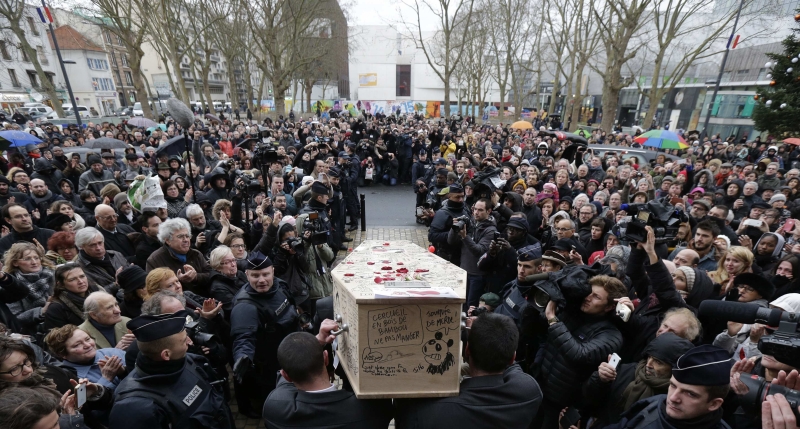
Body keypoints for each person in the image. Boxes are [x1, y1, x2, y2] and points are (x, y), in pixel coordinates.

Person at [110, 310, 235, 429]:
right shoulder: (134, 407)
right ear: (166, 355)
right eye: (183, 341)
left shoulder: (192, 360)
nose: (189, 342)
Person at [532, 274, 627, 429]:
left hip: (562, 406)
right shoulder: (572, 311)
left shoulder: (611, 335)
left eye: (596, 296)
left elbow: (579, 354)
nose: (588, 298)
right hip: (539, 389)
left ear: (609, 306)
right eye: (588, 292)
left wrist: (552, 319)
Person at [263, 327, 394, 429]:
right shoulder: (373, 407)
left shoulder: (274, 408)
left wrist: (317, 340)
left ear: (286, 376)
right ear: (326, 358)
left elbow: (283, 380)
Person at [231, 252, 302, 418]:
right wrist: (242, 355)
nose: (261, 280)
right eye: (255, 276)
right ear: (247, 275)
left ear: (273, 272)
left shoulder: (280, 286)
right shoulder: (245, 305)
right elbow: (243, 337)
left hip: (292, 353)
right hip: (270, 367)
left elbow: (292, 308)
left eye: (265, 274)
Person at [581, 333, 695, 427]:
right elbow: (591, 399)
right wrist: (600, 379)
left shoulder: (673, 396)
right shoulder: (627, 370)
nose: (649, 364)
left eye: (658, 362)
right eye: (649, 357)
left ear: (672, 368)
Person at [607, 345, 733, 429]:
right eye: (673, 385)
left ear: (714, 404)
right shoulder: (652, 404)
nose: (673, 398)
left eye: (690, 394)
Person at [44, 324, 127, 390]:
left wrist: (123, 373)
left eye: (87, 339)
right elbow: (90, 408)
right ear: (63, 354)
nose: (88, 345)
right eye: (77, 345)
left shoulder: (112, 353)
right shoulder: (70, 377)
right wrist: (106, 379)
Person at [447, 198, 497, 307]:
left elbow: (479, 251)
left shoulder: (490, 230)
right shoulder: (470, 223)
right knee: (460, 303)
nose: (476, 212)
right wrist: (454, 228)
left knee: (471, 305)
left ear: (488, 211)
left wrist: (465, 236)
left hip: (477, 275)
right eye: (475, 209)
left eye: (480, 210)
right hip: (463, 271)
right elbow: (450, 241)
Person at [146, 218, 213, 295]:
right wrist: (177, 280)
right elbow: (153, 289)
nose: (186, 240)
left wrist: (196, 277)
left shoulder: (196, 254)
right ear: (168, 240)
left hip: (203, 300)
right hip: (174, 303)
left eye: (187, 236)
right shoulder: (155, 260)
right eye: (180, 236)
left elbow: (211, 274)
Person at [4, 242, 54, 335]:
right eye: (27, 259)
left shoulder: (52, 275)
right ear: (15, 262)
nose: (34, 262)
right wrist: (41, 311)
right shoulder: (11, 284)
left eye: (36, 258)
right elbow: (16, 317)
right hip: (32, 333)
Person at [43, 263, 100, 331]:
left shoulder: (98, 292)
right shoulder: (56, 309)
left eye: (82, 276)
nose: (81, 282)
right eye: (72, 279)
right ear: (61, 284)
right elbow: (57, 337)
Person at [74, 227, 128, 295]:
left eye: (100, 243)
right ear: (81, 246)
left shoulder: (116, 254)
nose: (98, 248)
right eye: (92, 245)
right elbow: (93, 295)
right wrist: (116, 284)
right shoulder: (79, 268)